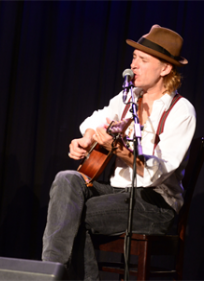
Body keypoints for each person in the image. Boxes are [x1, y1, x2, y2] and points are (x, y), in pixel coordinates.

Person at [41, 25, 196, 280]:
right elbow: (95, 119)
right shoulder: (128, 99)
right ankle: (52, 273)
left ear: (166, 68)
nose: (134, 65)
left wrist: (123, 153)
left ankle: (52, 274)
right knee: (67, 179)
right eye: (134, 57)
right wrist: (86, 138)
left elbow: (157, 173)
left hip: (156, 203)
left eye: (143, 60)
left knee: (70, 214)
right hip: (118, 193)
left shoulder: (181, 111)